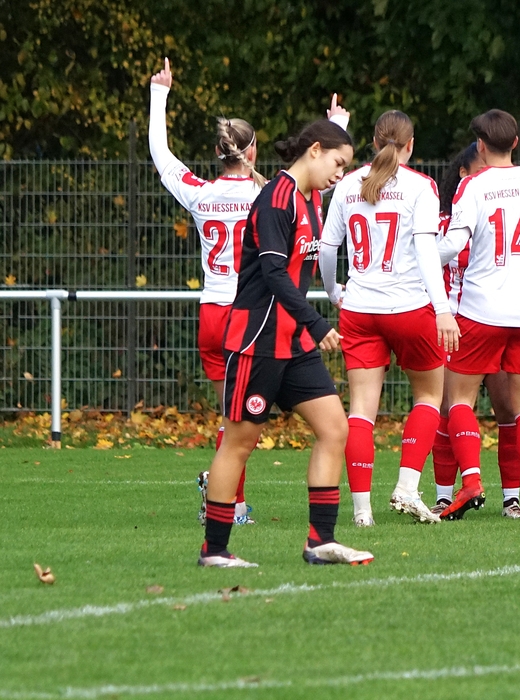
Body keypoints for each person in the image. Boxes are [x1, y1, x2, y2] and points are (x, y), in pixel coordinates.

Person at [148, 58, 349, 526]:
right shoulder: (273, 194)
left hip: (213, 314)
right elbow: (315, 188)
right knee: (240, 427)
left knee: (235, 421)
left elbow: (163, 159)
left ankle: (228, 504)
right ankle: (228, 510)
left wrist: (159, 96)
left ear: (218, 152)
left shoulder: (201, 193)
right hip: (257, 313)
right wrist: (336, 124)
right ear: (253, 150)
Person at [198, 117, 373, 567]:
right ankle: (214, 550)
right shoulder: (276, 198)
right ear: (314, 151)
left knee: (335, 429)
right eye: (337, 162)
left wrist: (336, 126)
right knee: (239, 442)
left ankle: (320, 542)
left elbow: (320, 158)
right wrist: (315, 323)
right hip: (258, 340)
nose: (340, 174)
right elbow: (274, 273)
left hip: (293, 344)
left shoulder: (309, 197)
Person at [319, 110, 460, 527]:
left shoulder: (348, 184)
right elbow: (426, 252)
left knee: (361, 411)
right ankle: (407, 487)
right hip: (409, 307)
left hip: (360, 308)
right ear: (410, 145)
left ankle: (362, 511)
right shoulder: (420, 186)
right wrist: (443, 309)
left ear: (373, 141)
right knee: (429, 396)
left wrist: (334, 293)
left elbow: (327, 249)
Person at [437, 109, 520, 519]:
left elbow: (451, 245)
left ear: (480, 145)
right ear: (515, 143)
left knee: (459, 399)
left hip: (480, 309)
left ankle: (471, 482)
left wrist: (421, 259)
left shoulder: (473, 186)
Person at [430, 143, 520, 520]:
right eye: (481, 168)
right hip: (454, 325)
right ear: (463, 174)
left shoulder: (501, 214)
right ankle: (444, 495)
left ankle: (512, 498)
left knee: (508, 409)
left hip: (496, 321)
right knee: (447, 409)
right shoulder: (442, 224)